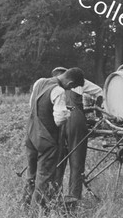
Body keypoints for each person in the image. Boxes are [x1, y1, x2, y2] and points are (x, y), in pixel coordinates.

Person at [22, 67, 85, 209]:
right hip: (46, 139)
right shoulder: (59, 91)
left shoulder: (40, 82)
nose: (70, 89)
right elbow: (59, 119)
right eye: (72, 87)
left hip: (31, 135)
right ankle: (36, 213)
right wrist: (67, 112)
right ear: (70, 83)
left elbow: (33, 105)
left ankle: (25, 204)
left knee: (31, 174)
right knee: (44, 177)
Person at [51, 66, 103, 200]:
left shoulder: (53, 84)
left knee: (58, 160)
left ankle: (55, 196)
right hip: (75, 118)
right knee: (77, 161)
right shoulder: (78, 81)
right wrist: (97, 112)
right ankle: (74, 198)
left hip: (58, 120)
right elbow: (99, 92)